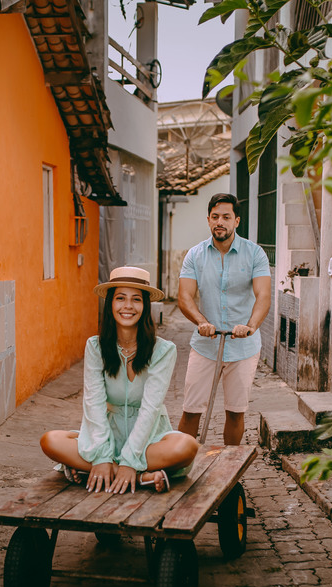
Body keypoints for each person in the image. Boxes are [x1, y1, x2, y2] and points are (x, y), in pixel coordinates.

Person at [41, 266, 199, 494]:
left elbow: (150, 408)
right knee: (51, 440)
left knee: (187, 446)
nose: (127, 306)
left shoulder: (163, 350)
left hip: (148, 440)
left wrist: (130, 460)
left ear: (145, 306)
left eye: (136, 299)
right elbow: (93, 403)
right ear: (110, 304)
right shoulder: (95, 347)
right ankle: (139, 476)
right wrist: (102, 455)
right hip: (104, 436)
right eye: (120, 298)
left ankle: (102, 470)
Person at [177, 193, 271, 446]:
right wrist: (201, 322)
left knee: (235, 411)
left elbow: (263, 295)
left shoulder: (255, 254)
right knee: (191, 410)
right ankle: (180, 465)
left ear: (236, 221)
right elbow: (185, 296)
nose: (220, 222)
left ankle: (230, 470)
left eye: (226, 217)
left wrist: (250, 327)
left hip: (243, 346)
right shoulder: (195, 255)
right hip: (206, 345)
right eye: (215, 217)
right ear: (208, 220)